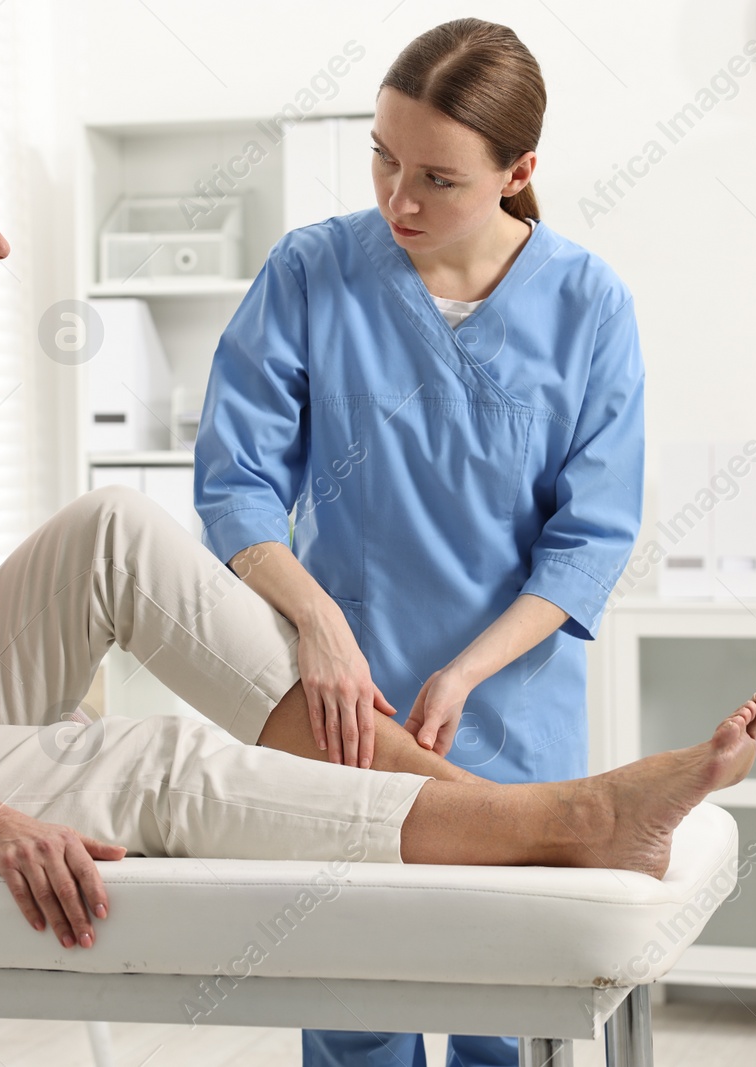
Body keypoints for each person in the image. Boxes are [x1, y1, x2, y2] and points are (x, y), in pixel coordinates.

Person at [0, 82, 756, 982]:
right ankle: (562, 819)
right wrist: (1, 809)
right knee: (145, 761)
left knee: (116, 525)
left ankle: (476, 803)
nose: (1, 243)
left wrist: (45, 722)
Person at [192, 18, 650, 1066]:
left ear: (518, 171)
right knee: (353, 1003)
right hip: (342, 706)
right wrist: (315, 622)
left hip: (506, 711)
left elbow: (589, 537)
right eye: (382, 157)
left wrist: (468, 671)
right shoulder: (312, 271)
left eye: (437, 178)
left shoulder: (586, 303)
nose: (399, 198)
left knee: (503, 1011)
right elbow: (234, 485)